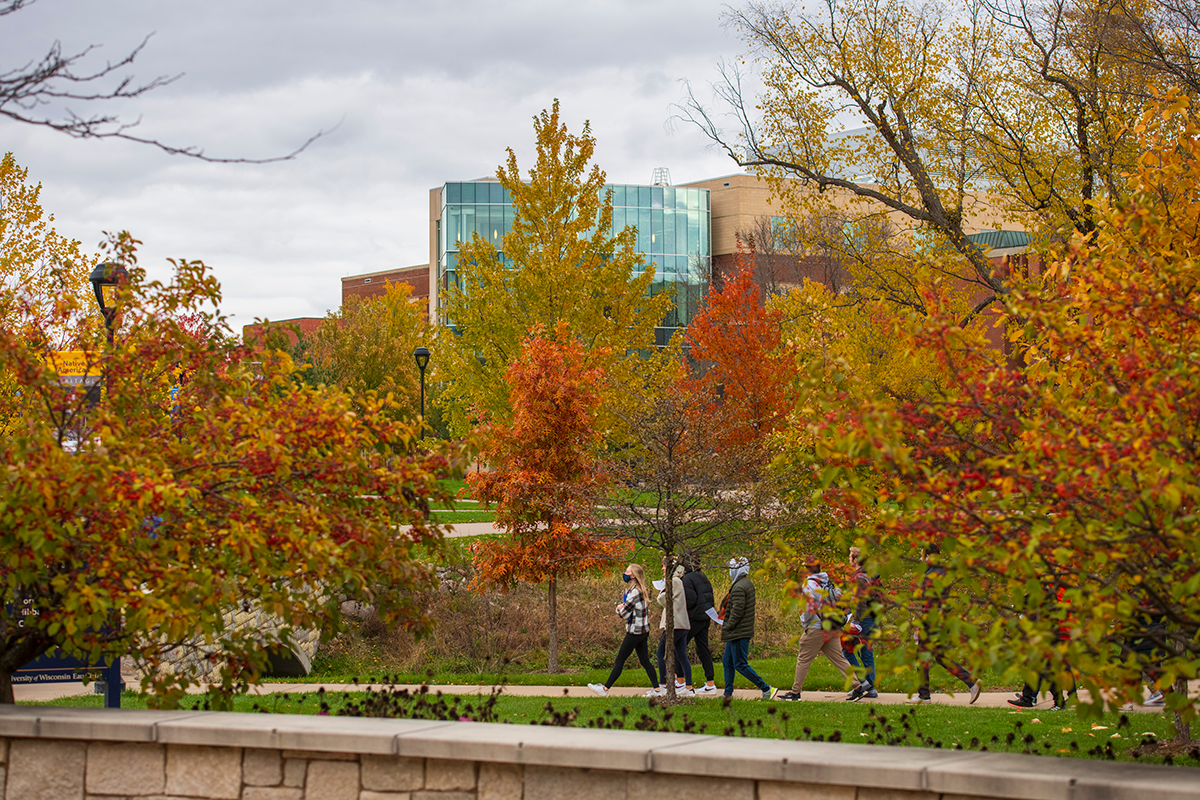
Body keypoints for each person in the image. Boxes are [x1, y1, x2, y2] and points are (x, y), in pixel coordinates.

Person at [779, 557, 865, 701]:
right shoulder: (826, 581)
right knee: (839, 658)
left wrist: (804, 622)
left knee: (803, 659)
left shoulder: (808, 585)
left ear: (807, 569)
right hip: (832, 627)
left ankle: (795, 693)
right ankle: (858, 687)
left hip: (817, 628)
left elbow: (808, 608)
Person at [913, 544, 982, 704]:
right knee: (939, 656)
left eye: (922, 557)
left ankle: (924, 695)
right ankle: (971, 682)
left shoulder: (931, 575)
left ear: (929, 557)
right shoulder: (943, 573)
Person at [589, 564, 659, 697]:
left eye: (627, 571)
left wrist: (619, 607)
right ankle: (656, 689)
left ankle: (604, 689)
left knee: (620, 660)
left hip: (634, 631)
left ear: (633, 575)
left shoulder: (634, 593)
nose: (625, 573)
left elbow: (624, 614)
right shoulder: (639, 589)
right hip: (643, 630)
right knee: (644, 660)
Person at [720, 556, 780, 700]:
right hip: (738, 630)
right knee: (727, 662)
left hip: (739, 631)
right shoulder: (743, 583)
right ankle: (728, 694)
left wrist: (727, 625)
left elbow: (737, 611)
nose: (729, 571)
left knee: (740, 664)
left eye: (732, 568)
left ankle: (766, 688)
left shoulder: (740, 586)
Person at [650, 559, 692, 697]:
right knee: (681, 655)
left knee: (661, 653)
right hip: (682, 624)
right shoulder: (677, 581)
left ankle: (662, 685)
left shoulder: (673, 581)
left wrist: (662, 590)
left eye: (664, 566)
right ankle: (689, 686)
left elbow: (663, 599)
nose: (662, 569)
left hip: (675, 624)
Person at [842, 546, 880, 700]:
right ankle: (869, 687)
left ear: (856, 559)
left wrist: (856, 621)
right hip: (871, 617)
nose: (848, 559)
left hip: (863, 619)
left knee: (847, 650)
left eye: (850, 556)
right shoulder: (869, 575)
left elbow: (860, 602)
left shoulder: (859, 577)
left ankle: (864, 684)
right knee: (866, 652)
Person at [682, 550, 718, 694]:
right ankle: (710, 682)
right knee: (703, 648)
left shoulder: (688, 579)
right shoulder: (703, 576)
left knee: (679, 647)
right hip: (706, 615)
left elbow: (689, 600)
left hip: (695, 616)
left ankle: (681, 682)